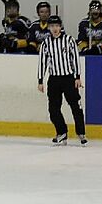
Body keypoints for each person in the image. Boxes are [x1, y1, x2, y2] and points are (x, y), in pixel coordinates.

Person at [36, 15, 87, 146]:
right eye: (52, 26)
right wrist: (40, 80)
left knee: (76, 106)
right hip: (54, 80)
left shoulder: (69, 40)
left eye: (57, 26)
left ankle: (81, 133)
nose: (55, 28)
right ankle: (61, 132)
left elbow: (75, 58)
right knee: (53, 109)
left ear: (60, 27)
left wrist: (77, 77)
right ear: (48, 28)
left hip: (68, 78)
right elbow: (42, 62)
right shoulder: (46, 43)